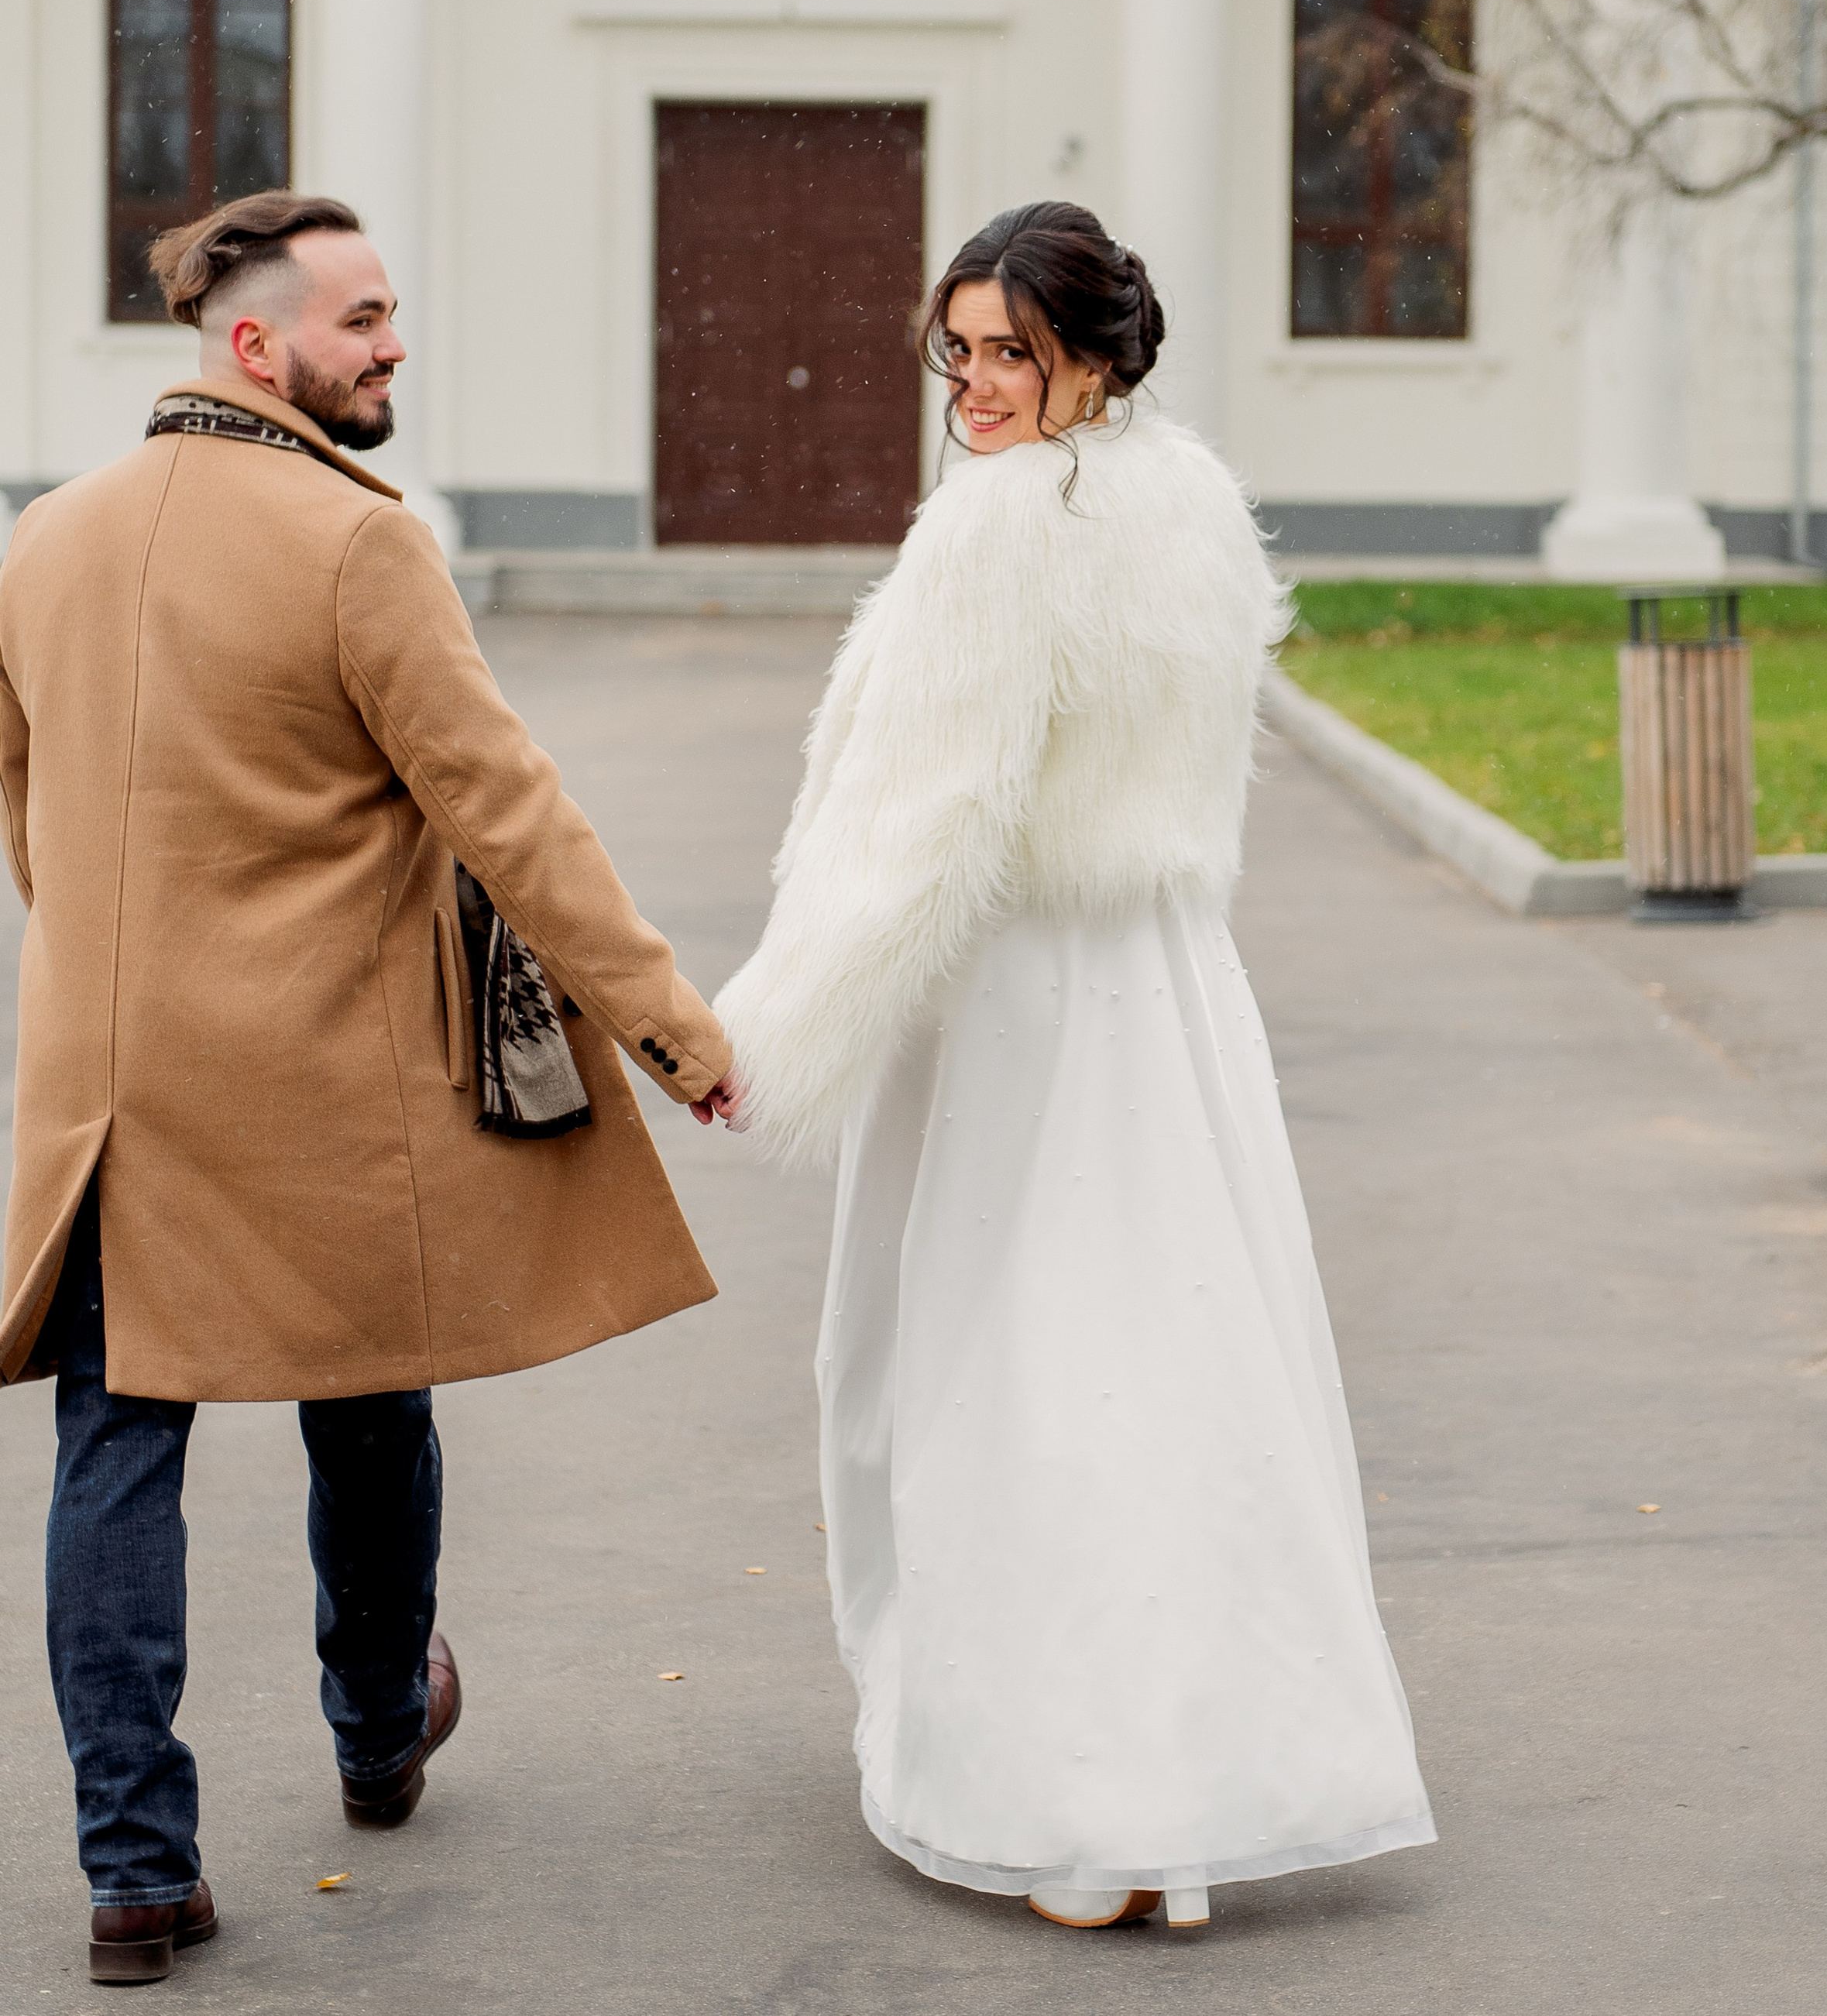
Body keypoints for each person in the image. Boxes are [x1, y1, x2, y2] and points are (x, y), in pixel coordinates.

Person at [0, 189, 744, 1987]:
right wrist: (674, 1030)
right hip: (323, 1078)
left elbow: (22, 799)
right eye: (360, 321)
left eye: (392, 313)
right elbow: (510, 812)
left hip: (107, 1090)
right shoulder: (358, 543)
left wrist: (117, 958)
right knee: (367, 1406)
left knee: (116, 1445)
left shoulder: (46, 537)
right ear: (256, 346)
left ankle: (134, 1874)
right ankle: (378, 1732)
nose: (393, 345)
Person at [716, 201, 1434, 1935]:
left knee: (1009, 1371)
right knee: (1176, 1361)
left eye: (1011, 354)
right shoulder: (1186, 501)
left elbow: (925, 824)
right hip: (1166, 990)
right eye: (956, 350)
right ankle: (1193, 1775)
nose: (972, 385)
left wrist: (763, 1031)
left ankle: (1082, 1801)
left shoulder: (997, 528)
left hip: (1022, 1000)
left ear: (1096, 358)